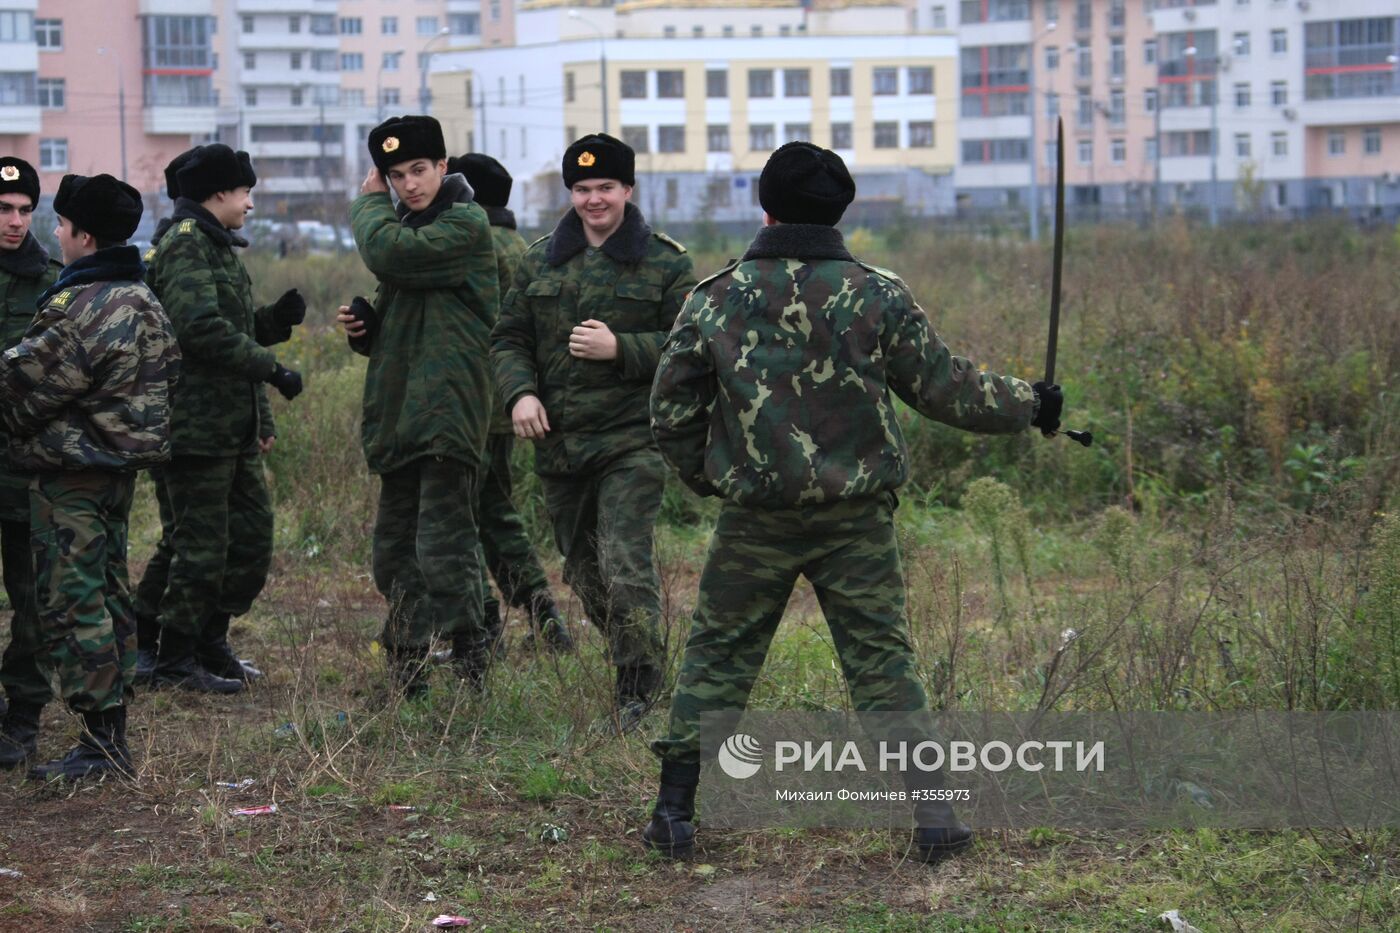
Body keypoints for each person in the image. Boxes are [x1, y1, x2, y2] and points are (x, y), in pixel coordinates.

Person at [642, 142, 1064, 860]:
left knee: (716, 655)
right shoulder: (877, 293)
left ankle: (674, 812)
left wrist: (714, 479)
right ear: (842, 209)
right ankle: (935, 819)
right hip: (856, 520)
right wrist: (1033, 405)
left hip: (755, 517)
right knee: (881, 660)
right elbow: (945, 389)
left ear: (764, 206)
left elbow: (670, 410)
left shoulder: (713, 297)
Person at [491, 133, 696, 731]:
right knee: (583, 571)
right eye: (582, 189)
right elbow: (509, 339)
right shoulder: (540, 259)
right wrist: (521, 393)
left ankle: (638, 688)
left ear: (628, 190)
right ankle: (636, 653)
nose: (593, 200)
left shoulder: (665, 261)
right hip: (561, 445)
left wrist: (621, 348)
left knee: (624, 561)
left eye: (605, 187)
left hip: (632, 441)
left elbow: (691, 346)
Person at [0, 173, 179, 780]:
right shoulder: (143, 298)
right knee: (108, 594)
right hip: (115, 474)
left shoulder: (80, 307)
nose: (53, 231)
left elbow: (18, 391)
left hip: (70, 477)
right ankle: (110, 730)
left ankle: (102, 744)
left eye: (59, 223)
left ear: (82, 235)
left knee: (73, 603)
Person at [337, 116, 500, 694]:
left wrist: (366, 203)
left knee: (443, 544)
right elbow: (409, 322)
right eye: (395, 175)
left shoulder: (465, 224)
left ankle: (471, 654)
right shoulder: (413, 233)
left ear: (443, 168)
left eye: (419, 170)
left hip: (449, 410)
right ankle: (407, 662)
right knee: (393, 548)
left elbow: (389, 252)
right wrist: (367, 330)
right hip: (402, 409)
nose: (409, 184)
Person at [145, 144, 306, 694]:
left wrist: (271, 324)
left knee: (250, 541)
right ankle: (171, 660)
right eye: (245, 193)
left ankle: (209, 641)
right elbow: (199, 331)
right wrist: (273, 368)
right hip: (195, 429)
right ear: (218, 194)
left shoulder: (216, 247)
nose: (250, 204)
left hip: (229, 427)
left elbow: (226, 326)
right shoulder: (186, 246)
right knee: (199, 549)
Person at [450, 152, 572, 654]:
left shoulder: (474, 245)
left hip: (474, 401)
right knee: (493, 508)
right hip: (505, 400)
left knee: (466, 513)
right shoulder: (520, 245)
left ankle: (485, 624)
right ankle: (541, 614)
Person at [0, 156, 61, 768]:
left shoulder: (53, 281)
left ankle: (23, 713)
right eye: (4, 210)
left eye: (24, 211)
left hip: (24, 465)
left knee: (34, 599)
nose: (15, 221)